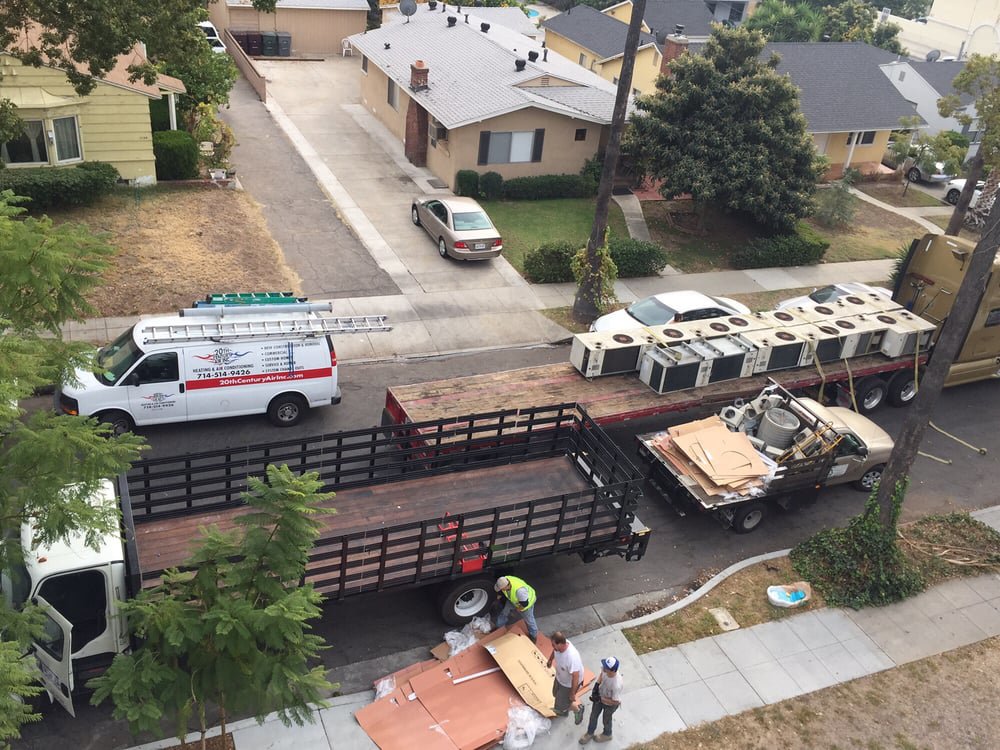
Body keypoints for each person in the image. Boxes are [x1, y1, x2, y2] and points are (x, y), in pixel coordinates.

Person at [579, 656, 623, 744]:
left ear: (613, 671)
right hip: (600, 697)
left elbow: (616, 701)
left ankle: (607, 734)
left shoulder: (616, 684)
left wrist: (600, 698)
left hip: (610, 705)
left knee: (606, 719)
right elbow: (601, 675)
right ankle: (590, 733)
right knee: (593, 716)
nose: (603, 668)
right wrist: (596, 685)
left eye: (606, 668)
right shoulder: (605, 671)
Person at [546, 631, 585, 723]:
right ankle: (564, 710)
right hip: (561, 678)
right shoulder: (558, 648)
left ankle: (578, 709)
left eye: (553, 645)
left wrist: (572, 693)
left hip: (568, 684)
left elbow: (576, 677)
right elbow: (554, 651)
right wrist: (550, 659)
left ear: (560, 644)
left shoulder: (571, 657)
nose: (552, 647)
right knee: (555, 694)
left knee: (562, 704)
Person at [494, 575, 538, 643]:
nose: (501, 590)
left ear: (506, 586)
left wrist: (517, 609)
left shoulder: (520, 591)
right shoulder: (505, 579)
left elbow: (524, 604)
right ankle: (499, 627)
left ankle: (533, 636)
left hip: (526, 604)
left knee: (529, 621)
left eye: (501, 589)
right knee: (505, 612)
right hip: (514, 600)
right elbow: (503, 592)